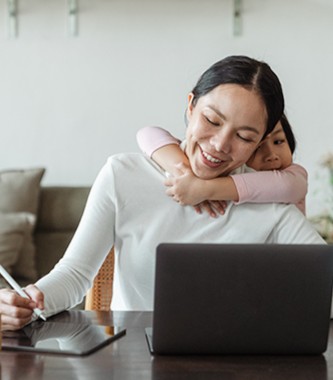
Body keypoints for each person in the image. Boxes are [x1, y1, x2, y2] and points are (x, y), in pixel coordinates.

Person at [0, 55, 325, 331]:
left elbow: (325, 280)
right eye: (211, 120)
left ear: (260, 141)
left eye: (243, 136)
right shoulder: (123, 175)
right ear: (190, 106)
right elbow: (74, 275)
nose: (219, 145)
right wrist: (31, 299)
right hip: (131, 362)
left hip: (237, 365)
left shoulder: (269, 204)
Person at [136, 113, 307, 216]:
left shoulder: (294, 175)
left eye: (279, 141)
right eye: (257, 147)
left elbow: (287, 187)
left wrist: (203, 188)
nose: (272, 156)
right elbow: (148, 134)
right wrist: (185, 174)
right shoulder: (231, 171)